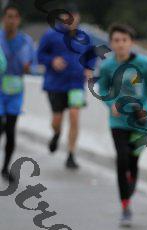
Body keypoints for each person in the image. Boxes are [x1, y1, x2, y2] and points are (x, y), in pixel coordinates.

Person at [97, 23, 147, 226]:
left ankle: (130, 185)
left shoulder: (146, 64)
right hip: (118, 121)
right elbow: (102, 88)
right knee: (122, 159)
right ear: (111, 43)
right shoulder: (107, 67)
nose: (121, 44)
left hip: (141, 122)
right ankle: (125, 206)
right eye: (116, 40)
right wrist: (111, 104)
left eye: (124, 40)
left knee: (133, 160)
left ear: (131, 42)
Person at [36, 4, 95, 169]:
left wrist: (89, 68)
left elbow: (91, 55)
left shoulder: (85, 36)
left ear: (78, 17)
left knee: (75, 116)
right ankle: (56, 134)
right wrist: (52, 60)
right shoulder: (51, 35)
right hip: (55, 85)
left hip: (76, 84)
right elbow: (39, 55)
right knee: (57, 120)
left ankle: (71, 155)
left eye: (74, 16)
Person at [0, 4, 35, 183]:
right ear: (3, 19)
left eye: (15, 17)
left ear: (19, 20)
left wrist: (28, 68)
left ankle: (5, 168)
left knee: (10, 130)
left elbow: (33, 66)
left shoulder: (26, 41)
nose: (11, 20)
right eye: (8, 16)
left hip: (15, 92)